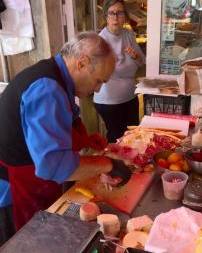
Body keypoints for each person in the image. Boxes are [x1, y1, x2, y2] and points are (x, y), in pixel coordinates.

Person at [0, 31, 116, 241]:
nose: (97, 89)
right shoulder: (47, 89)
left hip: (33, 177)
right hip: (17, 186)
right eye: (98, 80)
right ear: (82, 63)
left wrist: (86, 140)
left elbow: (59, 125)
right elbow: (52, 166)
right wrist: (106, 164)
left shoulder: (56, 74)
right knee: (31, 244)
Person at [93, 0, 145, 143]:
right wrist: (128, 66)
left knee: (134, 137)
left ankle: (130, 166)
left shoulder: (128, 34)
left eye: (120, 13)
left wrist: (135, 58)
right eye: (112, 13)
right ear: (106, 16)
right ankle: (114, 166)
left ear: (125, 17)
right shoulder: (100, 41)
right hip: (109, 101)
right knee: (117, 140)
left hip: (130, 96)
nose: (116, 17)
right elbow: (102, 74)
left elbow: (142, 62)